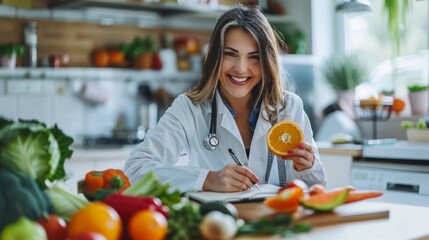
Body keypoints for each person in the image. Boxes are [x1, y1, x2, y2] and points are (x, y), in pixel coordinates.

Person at [125, 5, 326, 193]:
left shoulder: (289, 108)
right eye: (230, 54)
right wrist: (206, 179)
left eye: (253, 57)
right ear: (215, 57)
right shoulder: (188, 109)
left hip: (275, 225)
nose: (240, 68)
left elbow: (314, 190)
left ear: (267, 62)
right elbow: (135, 169)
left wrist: (306, 167)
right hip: (216, 226)